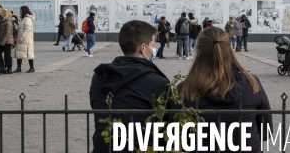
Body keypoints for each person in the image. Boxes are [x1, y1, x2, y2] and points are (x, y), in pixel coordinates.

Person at [172, 26, 272, 153]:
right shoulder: (252, 82)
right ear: (229, 48)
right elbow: (266, 131)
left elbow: (176, 134)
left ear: (199, 50)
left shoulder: (186, 88)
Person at [90, 20, 169, 153]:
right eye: (152, 45)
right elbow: (165, 128)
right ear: (143, 48)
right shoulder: (158, 83)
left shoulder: (99, 77)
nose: (153, 50)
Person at [13, 6, 35, 73]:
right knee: (19, 53)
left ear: (23, 11)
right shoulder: (23, 18)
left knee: (29, 53)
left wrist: (22, 37)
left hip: (26, 40)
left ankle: (32, 67)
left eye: (20, 10)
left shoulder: (27, 19)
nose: (20, 11)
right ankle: (19, 68)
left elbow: (27, 29)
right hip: (21, 39)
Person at [0, 9, 15, 74]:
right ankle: (2, 67)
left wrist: (3, 42)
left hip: (8, 41)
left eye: (1, 13)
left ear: (5, 14)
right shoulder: (2, 21)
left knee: (7, 54)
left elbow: (8, 33)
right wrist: (0, 40)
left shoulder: (8, 22)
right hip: (2, 41)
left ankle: (9, 68)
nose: (0, 14)